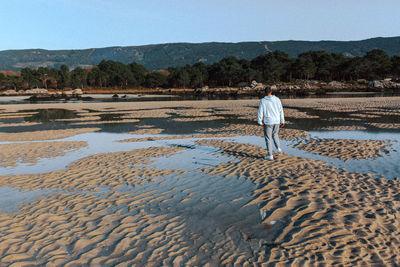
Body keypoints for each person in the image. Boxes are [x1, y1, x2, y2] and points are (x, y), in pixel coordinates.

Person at [257, 86, 285, 160]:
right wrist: (282, 121)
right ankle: (278, 148)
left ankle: (270, 155)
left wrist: (259, 121)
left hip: (268, 121)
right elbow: (281, 110)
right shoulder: (277, 99)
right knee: (275, 135)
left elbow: (260, 112)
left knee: (268, 138)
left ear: (265, 92)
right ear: (271, 92)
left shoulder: (263, 101)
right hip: (276, 121)